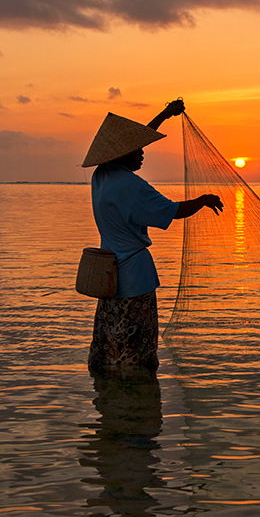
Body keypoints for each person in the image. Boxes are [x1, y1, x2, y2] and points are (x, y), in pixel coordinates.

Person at [82, 99, 223, 375]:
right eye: (138, 150)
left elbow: (135, 142)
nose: (143, 153)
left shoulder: (101, 176)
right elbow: (173, 211)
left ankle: (114, 405)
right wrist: (203, 199)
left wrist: (164, 115)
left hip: (109, 279)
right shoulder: (132, 186)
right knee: (137, 351)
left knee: (112, 346)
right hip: (135, 279)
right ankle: (138, 406)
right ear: (124, 153)